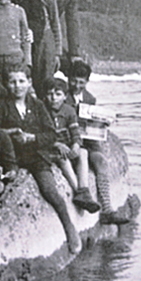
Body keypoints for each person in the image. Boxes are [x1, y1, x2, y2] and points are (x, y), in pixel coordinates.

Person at [0, 65, 82, 254]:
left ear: (29, 83)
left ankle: (70, 229)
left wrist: (32, 138)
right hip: (11, 156)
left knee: (50, 191)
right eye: (13, 82)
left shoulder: (37, 105)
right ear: (7, 84)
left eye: (21, 81)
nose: (17, 86)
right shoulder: (1, 105)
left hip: (37, 155)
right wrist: (11, 133)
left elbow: (50, 134)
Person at [66, 60, 129, 225]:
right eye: (73, 81)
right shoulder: (61, 95)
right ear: (68, 78)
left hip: (87, 141)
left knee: (100, 161)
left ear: (86, 82)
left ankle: (107, 210)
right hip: (69, 140)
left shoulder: (89, 98)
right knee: (83, 156)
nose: (76, 85)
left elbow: (92, 125)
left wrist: (101, 125)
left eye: (81, 82)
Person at [42, 77, 100, 213]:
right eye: (50, 94)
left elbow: (75, 131)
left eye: (58, 94)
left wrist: (76, 144)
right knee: (63, 158)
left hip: (67, 145)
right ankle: (77, 190)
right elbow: (41, 134)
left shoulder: (69, 110)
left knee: (83, 153)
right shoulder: (42, 109)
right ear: (45, 95)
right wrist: (56, 144)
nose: (53, 98)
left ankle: (84, 189)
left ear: (64, 96)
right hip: (51, 147)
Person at [21, 0, 61, 95]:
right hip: (26, 38)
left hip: (45, 38)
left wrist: (57, 52)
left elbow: (55, 22)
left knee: (46, 78)